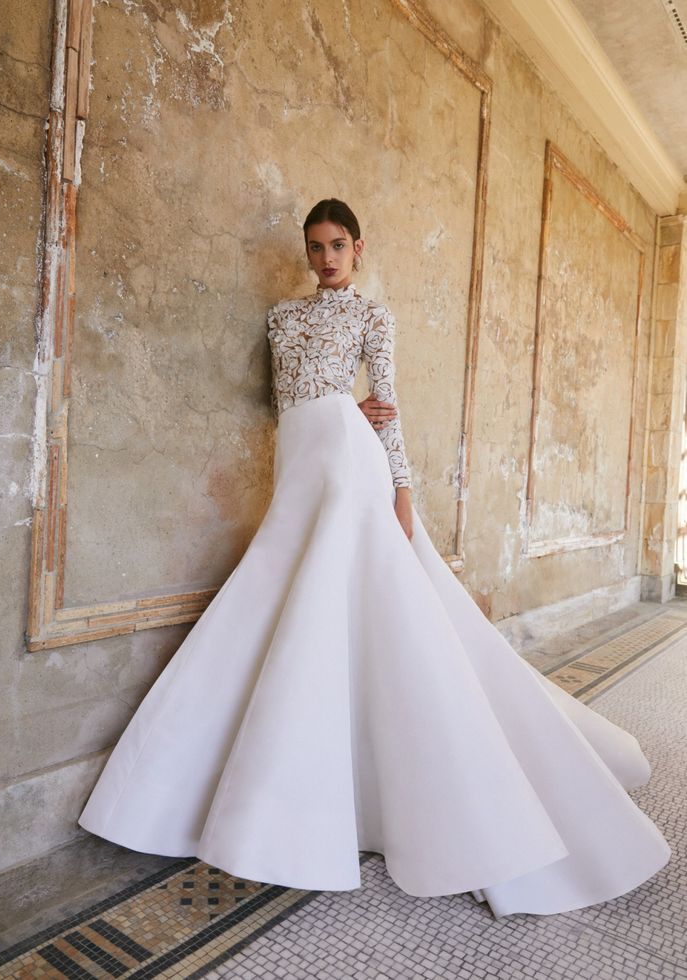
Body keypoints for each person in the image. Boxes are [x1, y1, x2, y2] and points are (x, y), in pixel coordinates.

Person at [78, 198, 670, 918]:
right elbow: (284, 399)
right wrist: (337, 409)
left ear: (358, 248)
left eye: (336, 245)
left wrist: (400, 488)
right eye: (314, 246)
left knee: (350, 604)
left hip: (351, 465)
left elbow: (386, 403)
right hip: (302, 459)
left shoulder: (372, 317)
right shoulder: (282, 318)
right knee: (281, 594)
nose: (324, 257)